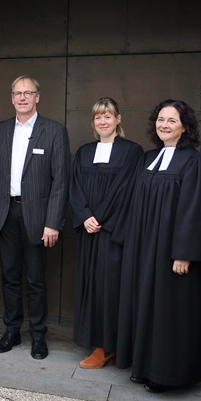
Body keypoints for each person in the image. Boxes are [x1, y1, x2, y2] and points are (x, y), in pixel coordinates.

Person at [115, 99, 201, 393]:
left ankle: (168, 373)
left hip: (172, 252)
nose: (164, 125)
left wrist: (184, 253)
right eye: (160, 119)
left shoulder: (194, 162)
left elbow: (195, 211)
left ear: (185, 127)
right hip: (145, 249)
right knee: (147, 305)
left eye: (172, 121)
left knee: (169, 310)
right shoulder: (149, 158)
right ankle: (144, 366)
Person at [0, 76, 69, 360]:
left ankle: (38, 334)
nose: (22, 98)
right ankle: (11, 330)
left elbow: (61, 181)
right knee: (9, 276)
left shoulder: (54, 131)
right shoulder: (0, 130)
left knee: (35, 279)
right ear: (12, 98)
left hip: (37, 216)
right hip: (5, 214)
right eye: (17, 93)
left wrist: (53, 222)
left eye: (28, 93)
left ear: (38, 97)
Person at [69, 98, 143, 369]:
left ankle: (112, 346)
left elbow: (125, 191)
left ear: (118, 119)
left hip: (114, 233)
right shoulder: (84, 151)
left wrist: (99, 218)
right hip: (90, 232)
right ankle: (97, 343)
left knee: (112, 288)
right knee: (92, 286)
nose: (103, 122)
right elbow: (74, 187)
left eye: (108, 116)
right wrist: (84, 216)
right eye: (98, 117)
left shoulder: (132, 152)